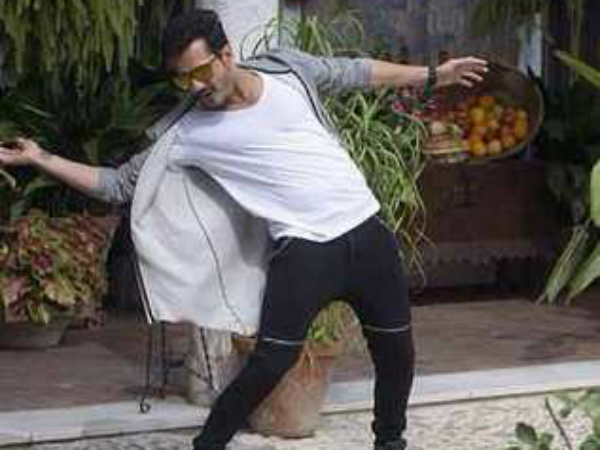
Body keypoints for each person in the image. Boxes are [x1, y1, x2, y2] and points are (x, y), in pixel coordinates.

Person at [0, 9, 487, 450]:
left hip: (367, 232)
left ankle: (390, 443)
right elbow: (118, 185)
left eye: (199, 71)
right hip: (304, 250)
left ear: (226, 54)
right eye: (181, 78)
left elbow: (355, 71)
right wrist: (42, 158)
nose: (192, 86)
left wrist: (434, 75)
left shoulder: (288, 71)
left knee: (397, 352)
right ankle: (207, 445)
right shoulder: (184, 132)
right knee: (270, 362)